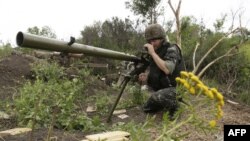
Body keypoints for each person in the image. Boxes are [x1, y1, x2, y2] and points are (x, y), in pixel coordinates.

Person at [138, 24, 184, 116]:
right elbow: (154, 71)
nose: (152, 44)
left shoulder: (172, 49)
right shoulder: (156, 51)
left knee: (155, 98)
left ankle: (176, 107)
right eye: (149, 41)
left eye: (154, 40)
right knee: (147, 107)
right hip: (162, 88)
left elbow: (167, 69)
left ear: (162, 39)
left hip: (176, 89)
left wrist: (152, 53)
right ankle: (164, 104)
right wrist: (145, 76)